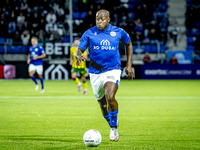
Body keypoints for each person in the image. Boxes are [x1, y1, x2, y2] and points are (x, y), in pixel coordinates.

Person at [76, 9, 134, 142]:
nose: (99, 22)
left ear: (108, 20)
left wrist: (129, 65)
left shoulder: (118, 31)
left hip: (113, 69)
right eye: (97, 19)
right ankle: (112, 122)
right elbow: (80, 50)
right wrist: (79, 55)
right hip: (95, 72)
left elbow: (129, 44)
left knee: (110, 96)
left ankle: (114, 128)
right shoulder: (89, 33)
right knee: (102, 105)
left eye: (102, 19)